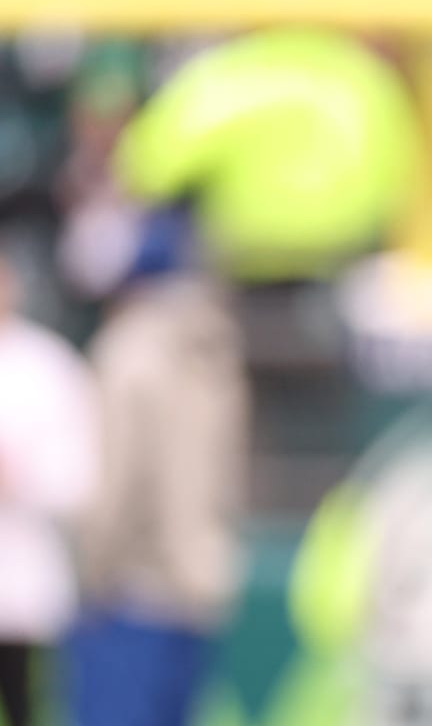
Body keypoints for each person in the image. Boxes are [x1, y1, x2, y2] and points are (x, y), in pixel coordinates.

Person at [66, 213, 249, 726]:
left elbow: (117, 483)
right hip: (198, 587)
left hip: (133, 590)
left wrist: (92, 568)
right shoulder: (217, 352)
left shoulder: (129, 353)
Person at [0, 257, 99, 726]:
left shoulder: (49, 366)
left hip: (24, 590)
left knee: (29, 705)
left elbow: (79, 475)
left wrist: (20, 477)